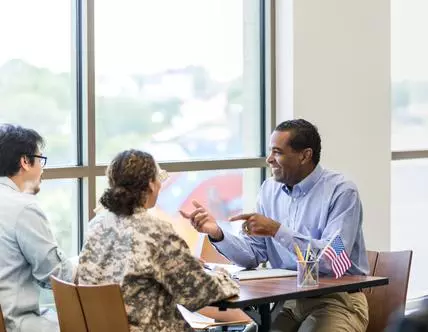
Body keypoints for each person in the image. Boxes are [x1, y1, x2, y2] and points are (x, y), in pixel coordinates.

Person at [180, 119, 370, 332]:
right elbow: (253, 255)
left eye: (277, 152)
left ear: (305, 155)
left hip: (337, 301)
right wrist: (216, 232)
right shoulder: (270, 190)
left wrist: (276, 231)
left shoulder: (342, 192)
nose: (269, 159)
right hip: (288, 303)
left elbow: (332, 261)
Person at [77, 149, 239, 332]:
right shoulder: (157, 231)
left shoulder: (96, 225)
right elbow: (199, 293)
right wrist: (224, 275)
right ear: (151, 184)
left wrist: (185, 264)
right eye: (158, 179)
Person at [0, 124, 74, 332]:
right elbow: (55, 275)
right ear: (25, 161)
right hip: (16, 323)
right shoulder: (23, 207)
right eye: (40, 160)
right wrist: (86, 263)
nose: (43, 169)